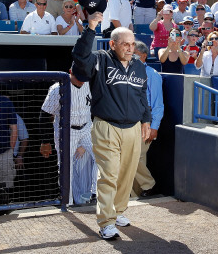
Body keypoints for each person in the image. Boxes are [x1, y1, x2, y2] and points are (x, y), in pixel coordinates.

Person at [71, 13, 151, 239]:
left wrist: (146, 119)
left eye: (132, 44)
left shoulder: (138, 65)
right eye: (125, 44)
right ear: (113, 44)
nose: (129, 48)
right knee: (109, 174)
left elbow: (142, 95)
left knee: (126, 174)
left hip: (133, 127)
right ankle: (106, 221)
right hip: (106, 125)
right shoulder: (100, 59)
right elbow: (79, 57)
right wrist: (91, 28)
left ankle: (118, 211)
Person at [40, 71, 98, 205]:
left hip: (86, 126)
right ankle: (68, 202)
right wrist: (45, 140)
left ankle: (95, 193)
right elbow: (44, 115)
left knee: (102, 156)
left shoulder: (90, 84)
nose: (82, 81)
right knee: (66, 168)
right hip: (67, 130)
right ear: (71, 72)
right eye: (79, 78)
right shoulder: (58, 89)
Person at [133, 41, 164, 197]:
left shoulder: (152, 74)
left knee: (135, 156)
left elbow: (158, 104)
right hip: (129, 120)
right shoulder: (126, 72)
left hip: (146, 120)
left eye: (134, 54)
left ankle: (149, 185)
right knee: (135, 156)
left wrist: (154, 127)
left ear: (144, 56)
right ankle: (135, 194)